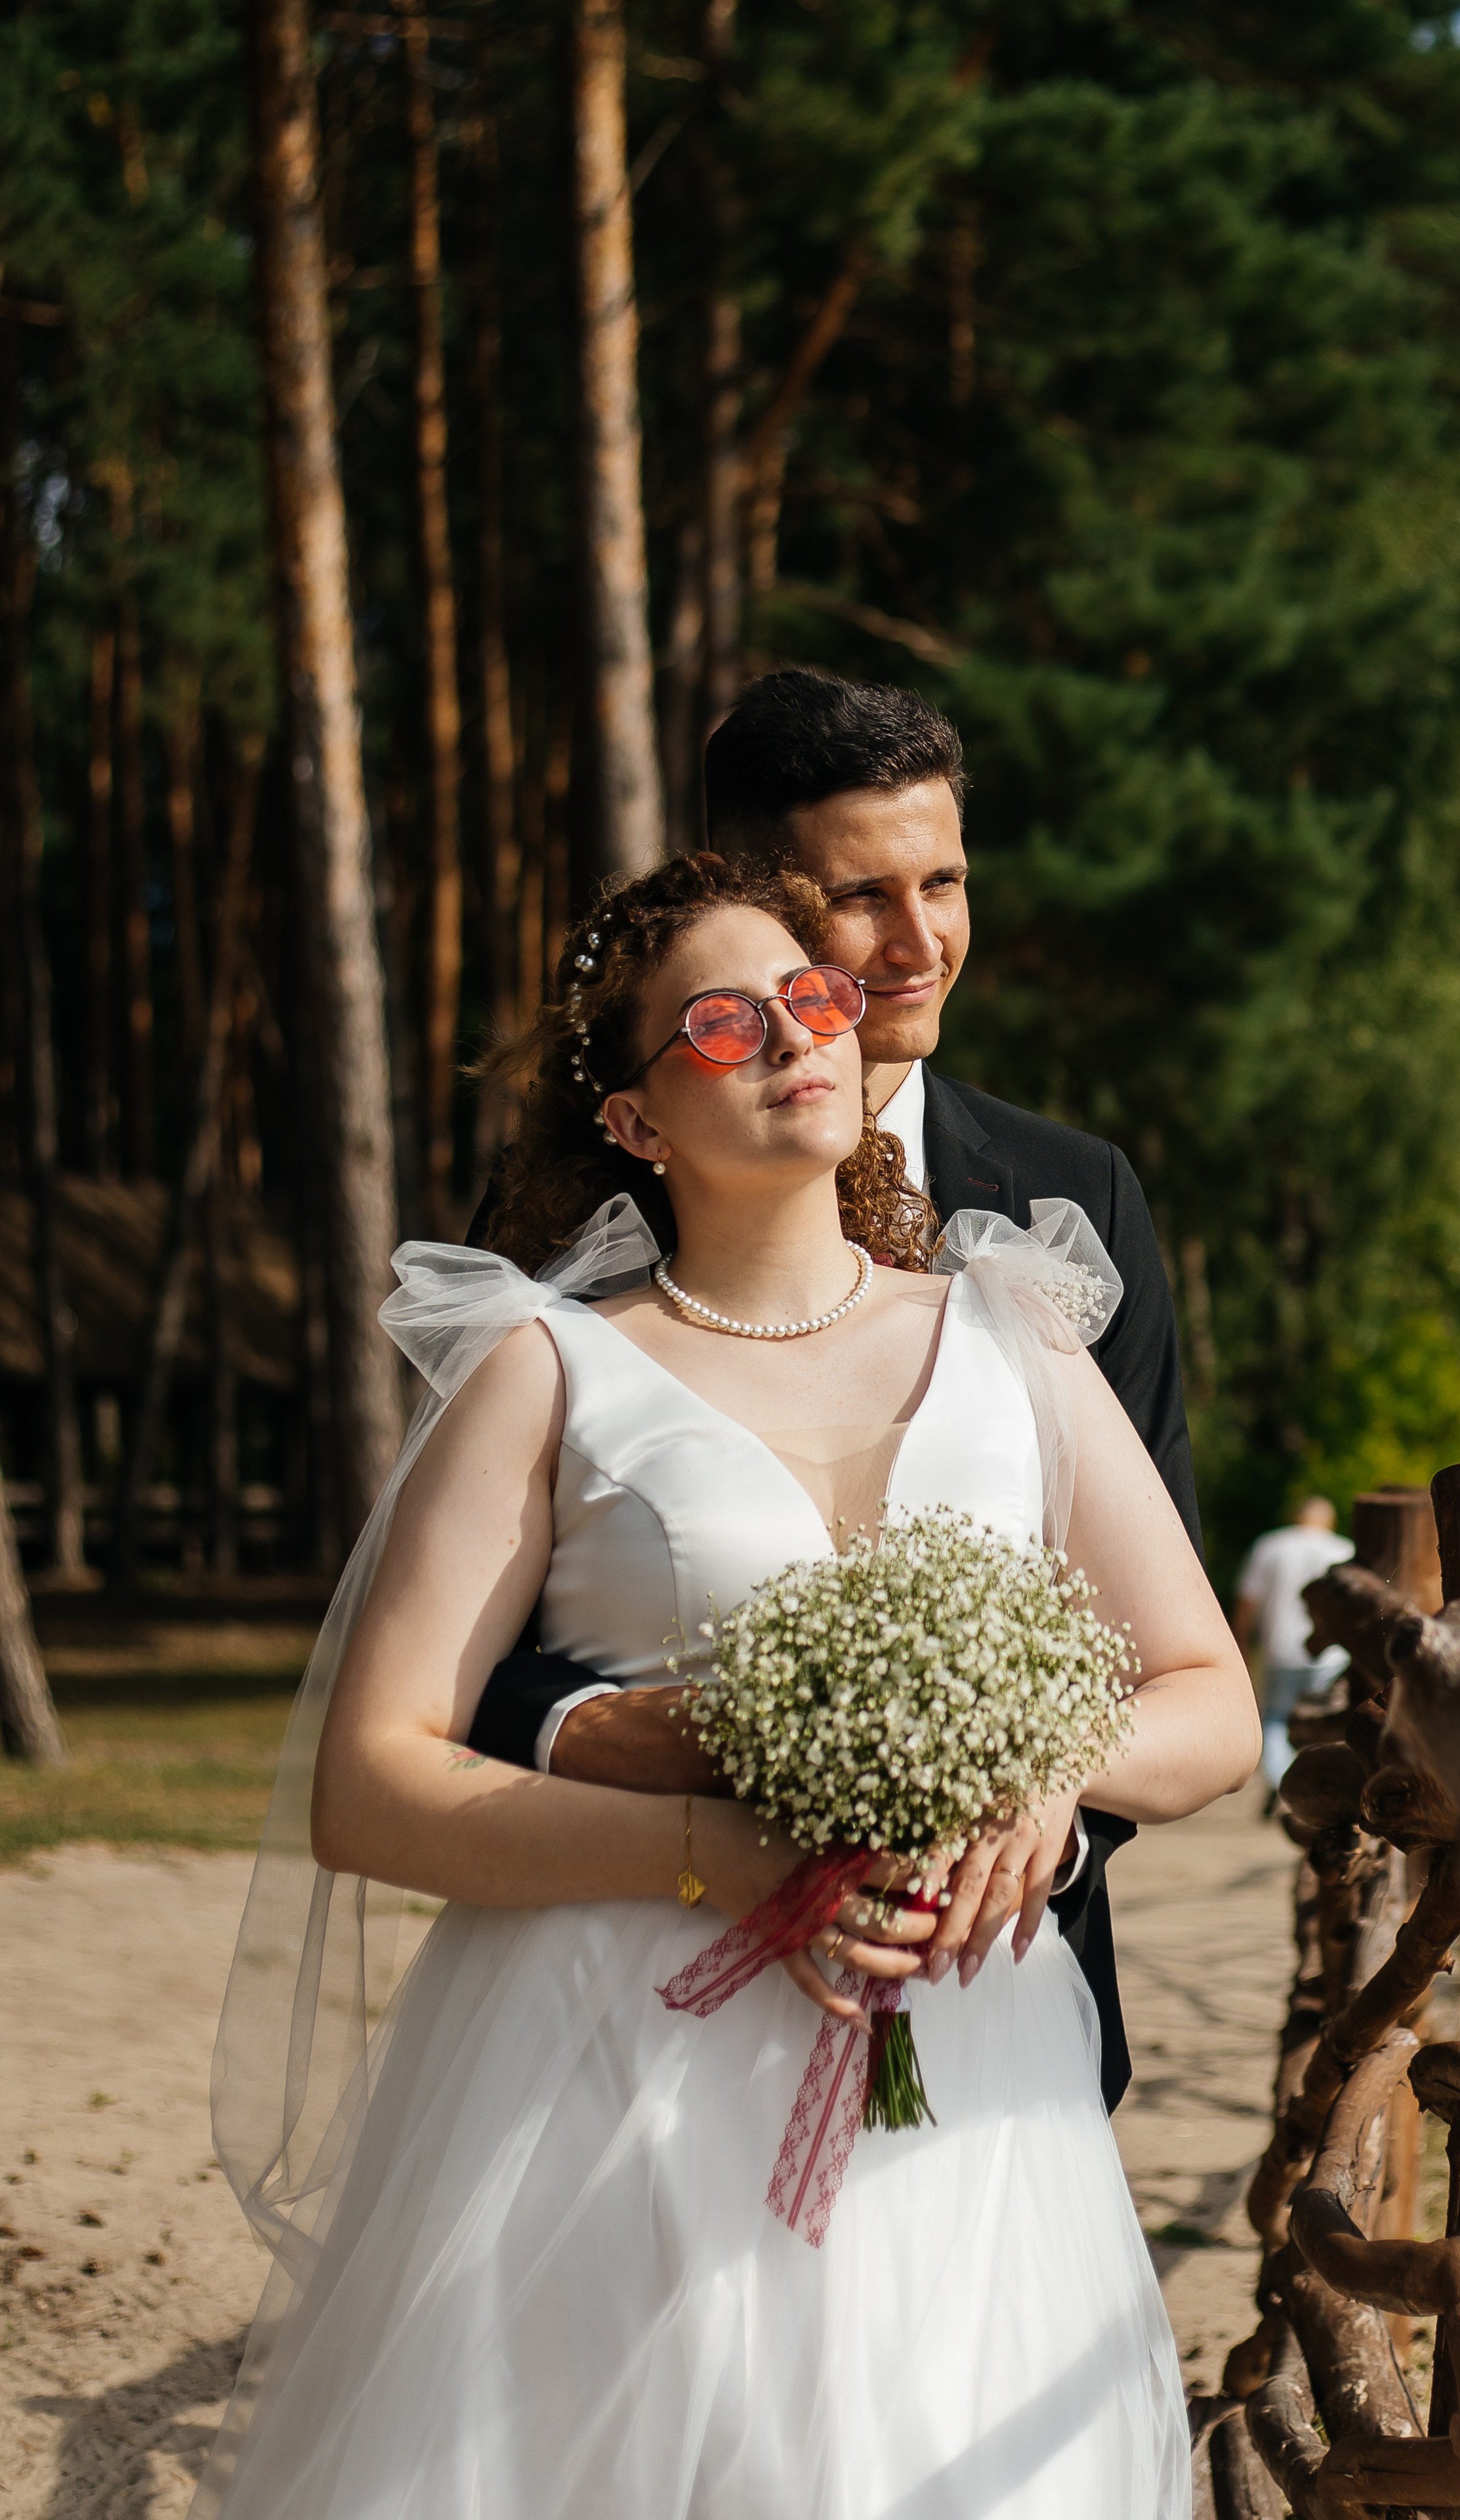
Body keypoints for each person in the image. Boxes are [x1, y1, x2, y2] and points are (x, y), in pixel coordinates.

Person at [198, 852, 1258, 2519]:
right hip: (615, 2071)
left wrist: (1053, 1780)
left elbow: (1204, 1694)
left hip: (975, 2076)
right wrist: (718, 1851)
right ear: (631, 1119)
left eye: (814, 997)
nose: (795, 1035)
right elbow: (371, 1781)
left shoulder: (1015, 1333)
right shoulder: (550, 1370)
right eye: (721, 1018)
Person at [466, 669, 1200, 2110]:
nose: (919, 944)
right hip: (650, 1984)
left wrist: (1008, 1841)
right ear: (757, 899)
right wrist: (626, 1743)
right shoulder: (567, 1211)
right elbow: (458, 1623)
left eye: (946, 881)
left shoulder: (1073, 1198)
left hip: (997, 1978)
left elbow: (1137, 1621)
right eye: (863, 896)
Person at [1233, 1497, 1354, 1795]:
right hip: (1332, 1655)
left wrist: (1241, 1648)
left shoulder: (1270, 1546)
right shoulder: (1344, 1549)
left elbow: (1247, 1604)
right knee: (1327, 1721)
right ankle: (1317, 1786)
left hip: (1281, 1648)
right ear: (1330, 1520)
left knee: (1276, 1718)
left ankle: (1284, 1782)